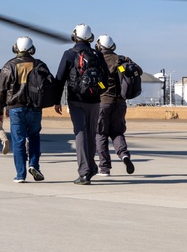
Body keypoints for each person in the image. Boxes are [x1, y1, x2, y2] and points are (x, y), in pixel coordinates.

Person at [0, 36, 52, 183]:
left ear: (15, 48)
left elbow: (0, 91)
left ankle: (20, 175)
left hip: (16, 108)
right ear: (32, 49)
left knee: (18, 141)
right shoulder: (39, 64)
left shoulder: (9, 66)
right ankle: (34, 164)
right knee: (34, 137)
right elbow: (51, 84)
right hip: (35, 108)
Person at [53, 24, 106, 184]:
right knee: (91, 134)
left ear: (74, 36)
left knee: (80, 133)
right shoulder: (97, 54)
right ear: (90, 37)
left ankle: (84, 172)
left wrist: (56, 100)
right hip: (95, 101)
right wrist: (99, 90)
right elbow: (106, 78)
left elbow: (60, 78)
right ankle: (91, 167)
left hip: (76, 100)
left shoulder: (69, 54)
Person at [95, 34, 135, 176]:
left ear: (99, 46)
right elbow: (138, 71)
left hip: (103, 103)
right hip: (120, 103)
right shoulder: (121, 59)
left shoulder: (97, 60)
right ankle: (124, 155)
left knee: (101, 135)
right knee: (117, 133)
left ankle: (104, 168)